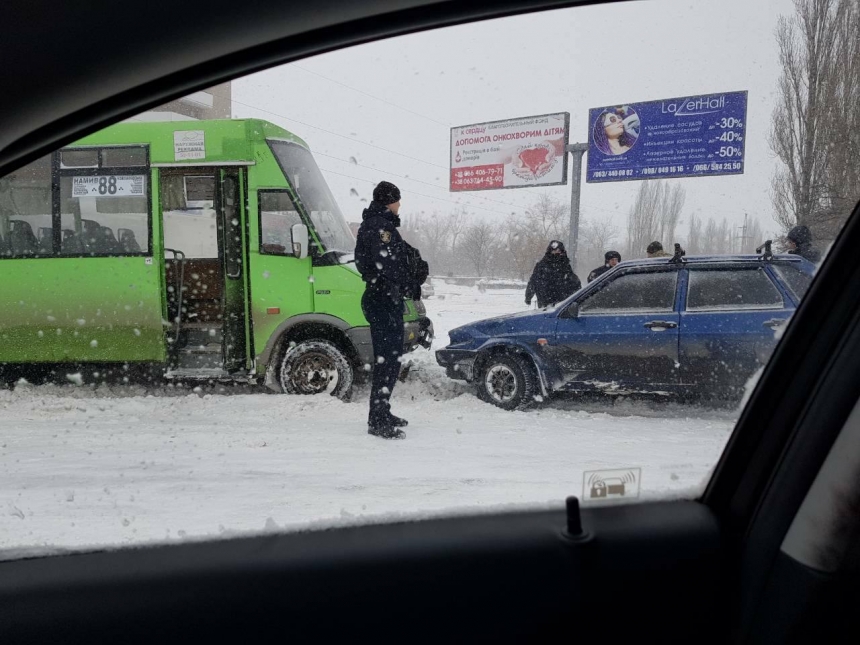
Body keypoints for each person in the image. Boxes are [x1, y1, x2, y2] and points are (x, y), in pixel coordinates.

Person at [354, 181, 423, 440]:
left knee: (390, 361)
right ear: (388, 201)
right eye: (397, 200)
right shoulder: (379, 226)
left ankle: (383, 411)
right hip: (381, 298)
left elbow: (397, 257)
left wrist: (414, 264)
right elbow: (387, 265)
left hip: (384, 298)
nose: (399, 205)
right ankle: (377, 420)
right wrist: (410, 283)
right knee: (387, 362)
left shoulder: (379, 224)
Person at [525, 240, 582, 308]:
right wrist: (528, 296)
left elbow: (574, 282)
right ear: (550, 251)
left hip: (561, 304)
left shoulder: (565, 265)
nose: (557, 253)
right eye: (554, 250)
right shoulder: (542, 265)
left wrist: (579, 296)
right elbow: (533, 281)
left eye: (559, 251)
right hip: (546, 303)